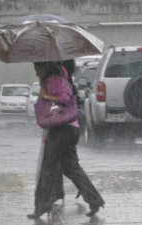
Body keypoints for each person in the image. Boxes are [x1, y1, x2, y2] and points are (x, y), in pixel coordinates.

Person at [27, 61, 105, 219]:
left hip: (62, 130)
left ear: (45, 67)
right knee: (70, 167)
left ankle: (42, 206)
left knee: (47, 168)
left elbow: (64, 99)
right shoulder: (57, 78)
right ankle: (94, 199)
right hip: (69, 128)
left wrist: (45, 96)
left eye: (37, 69)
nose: (36, 73)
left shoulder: (55, 79)